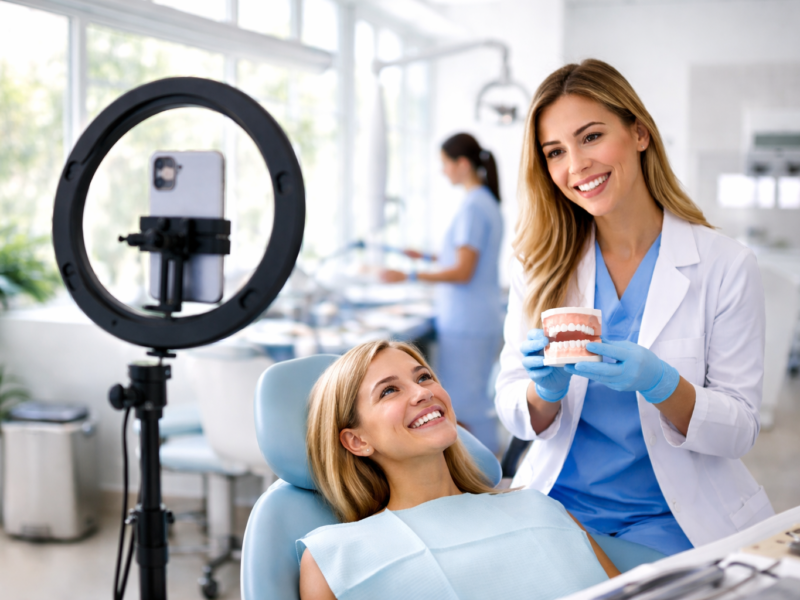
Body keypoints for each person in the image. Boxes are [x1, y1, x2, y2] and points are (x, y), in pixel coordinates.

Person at [495, 59, 774, 557]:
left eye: (591, 137)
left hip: (674, 518)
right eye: (555, 151)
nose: (575, 165)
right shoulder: (539, 265)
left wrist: (664, 385)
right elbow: (515, 413)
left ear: (639, 133)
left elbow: (741, 429)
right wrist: (543, 394)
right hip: (559, 508)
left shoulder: (724, 265)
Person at [298, 340, 618, 600]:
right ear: (356, 441)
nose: (423, 392)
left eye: (423, 377)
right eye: (389, 391)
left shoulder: (538, 507)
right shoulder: (336, 558)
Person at [381, 133, 504, 452]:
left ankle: (484, 476)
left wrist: (407, 274)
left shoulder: (474, 207)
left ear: (462, 164)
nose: (443, 171)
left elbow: (463, 271)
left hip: (467, 323)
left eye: (445, 164)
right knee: (473, 399)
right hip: (473, 318)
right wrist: (422, 256)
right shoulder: (483, 202)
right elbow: (460, 256)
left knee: (466, 405)